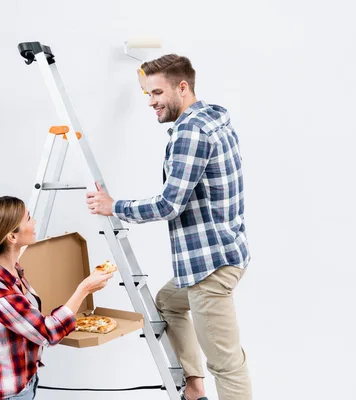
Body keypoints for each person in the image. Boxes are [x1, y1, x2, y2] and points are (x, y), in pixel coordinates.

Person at [86, 54, 252, 400]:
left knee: (227, 366)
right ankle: (193, 387)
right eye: (147, 94)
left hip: (210, 267)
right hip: (222, 252)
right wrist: (146, 72)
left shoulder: (190, 133)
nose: (151, 102)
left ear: (182, 87)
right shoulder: (212, 116)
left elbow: (168, 205)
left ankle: (201, 383)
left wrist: (113, 206)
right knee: (167, 302)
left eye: (157, 93)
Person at [0, 196, 113, 399]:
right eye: (29, 218)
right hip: (5, 395)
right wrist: (84, 289)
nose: (34, 223)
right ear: (12, 237)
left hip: (23, 384)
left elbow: (30, 324)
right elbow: (47, 333)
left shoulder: (12, 270)